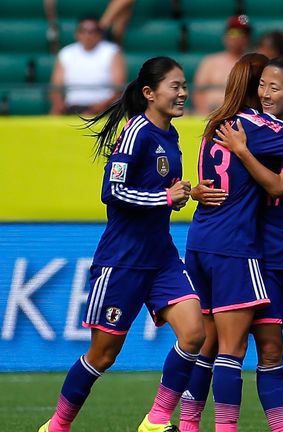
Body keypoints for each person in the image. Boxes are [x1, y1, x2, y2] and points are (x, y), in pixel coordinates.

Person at [39, 56, 204, 432]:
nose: (182, 93)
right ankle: (57, 426)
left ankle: (156, 421)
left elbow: (158, 188)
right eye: (174, 86)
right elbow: (112, 191)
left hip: (161, 257)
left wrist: (190, 193)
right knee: (103, 355)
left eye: (183, 85)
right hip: (123, 260)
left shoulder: (171, 135)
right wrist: (165, 198)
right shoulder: (136, 133)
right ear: (149, 93)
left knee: (195, 334)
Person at [179, 53, 283, 432]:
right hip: (260, 257)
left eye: (274, 87)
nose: (266, 93)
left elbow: (280, 185)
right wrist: (199, 190)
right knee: (268, 350)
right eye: (262, 85)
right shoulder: (251, 126)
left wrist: (244, 151)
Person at [49, 16, 126, 116]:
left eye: (93, 31)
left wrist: (96, 110)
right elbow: (56, 86)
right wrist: (60, 106)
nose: (88, 35)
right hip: (71, 108)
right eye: (83, 31)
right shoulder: (66, 53)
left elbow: (118, 88)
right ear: (77, 34)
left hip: (103, 108)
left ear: (100, 34)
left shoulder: (112, 52)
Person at [193, 15, 252, 116]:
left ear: (248, 38)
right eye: (233, 33)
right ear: (225, 37)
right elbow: (198, 92)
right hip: (211, 114)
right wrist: (206, 116)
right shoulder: (210, 62)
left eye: (242, 33)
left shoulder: (253, 63)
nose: (238, 37)